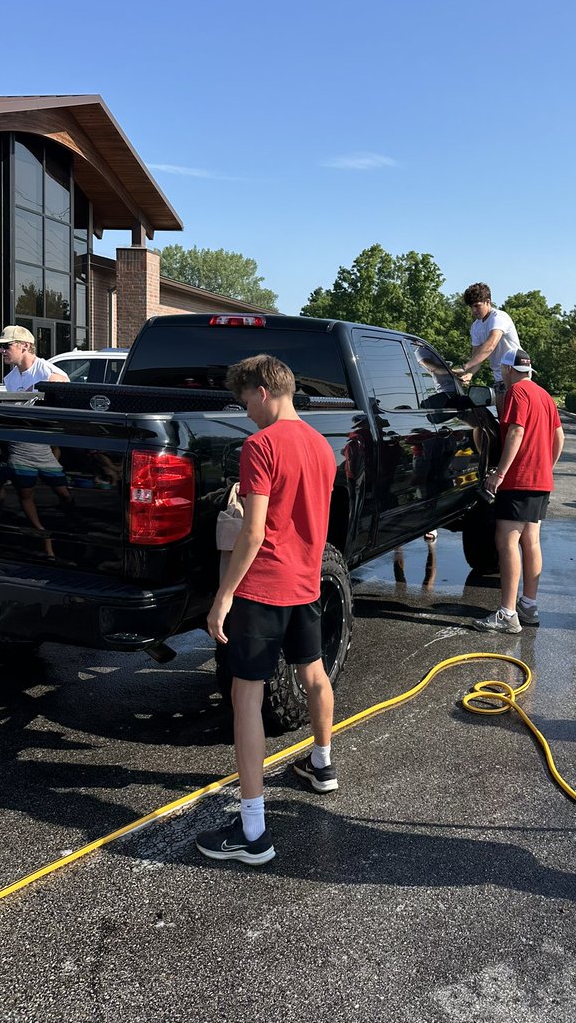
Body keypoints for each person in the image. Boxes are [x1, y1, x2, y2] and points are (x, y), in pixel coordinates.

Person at [197, 354, 337, 866]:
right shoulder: (323, 446)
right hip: (306, 581)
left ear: (262, 391)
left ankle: (252, 831)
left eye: (245, 403)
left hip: (262, 587)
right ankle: (322, 764)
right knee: (314, 672)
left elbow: (253, 531)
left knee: (246, 697)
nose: (246, 414)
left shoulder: (261, 445)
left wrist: (224, 595)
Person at [473, 349, 564, 633]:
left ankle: (507, 613)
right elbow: (558, 436)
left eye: (502, 369)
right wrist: (546, 465)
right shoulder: (544, 395)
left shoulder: (517, 393)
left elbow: (516, 431)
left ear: (508, 369)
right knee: (531, 540)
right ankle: (528, 604)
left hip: (519, 480)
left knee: (507, 540)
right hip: (540, 480)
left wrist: (499, 473)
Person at [0, 325, 72, 558]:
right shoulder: (9, 378)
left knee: (64, 493)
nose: (1, 351)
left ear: (25, 346)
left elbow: (64, 392)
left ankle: (70, 524)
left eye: (6, 346)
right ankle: (42, 536)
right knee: (25, 494)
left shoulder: (47, 371)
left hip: (43, 444)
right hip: (20, 443)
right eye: (0, 347)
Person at [453, 283, 521, 404]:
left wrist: (464, 367)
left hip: (517, 374)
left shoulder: (499, 317)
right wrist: (469, 374)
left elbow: (490, 346)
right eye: (471, 307)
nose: (474, 311)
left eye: (477, 306)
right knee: (503, 419)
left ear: (488, 302)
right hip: (500, 377)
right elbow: (477, 357)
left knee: (517, 417)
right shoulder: (476, 327)